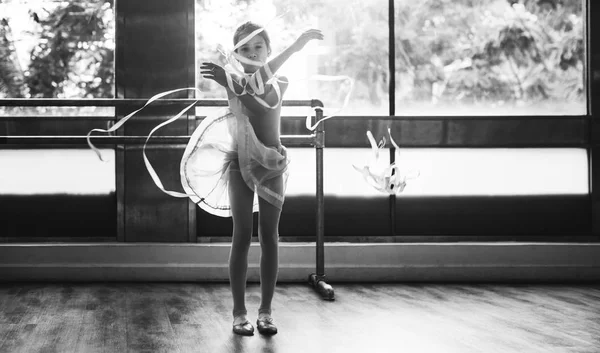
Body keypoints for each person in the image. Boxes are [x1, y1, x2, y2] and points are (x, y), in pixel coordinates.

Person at [182, 22, 323, 336]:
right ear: (235, 54)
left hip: (272, 161)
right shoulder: (232, 80)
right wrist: (230, 83)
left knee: (270, 237)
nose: (252, 53)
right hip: (239, 161)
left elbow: (258, 103)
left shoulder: (279, 80)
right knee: (242, 235)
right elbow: (248, 92)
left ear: (268, 50)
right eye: (244, 49)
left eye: (258, 46)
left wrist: (296, 47)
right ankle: (238, 313)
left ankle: (266, 312)